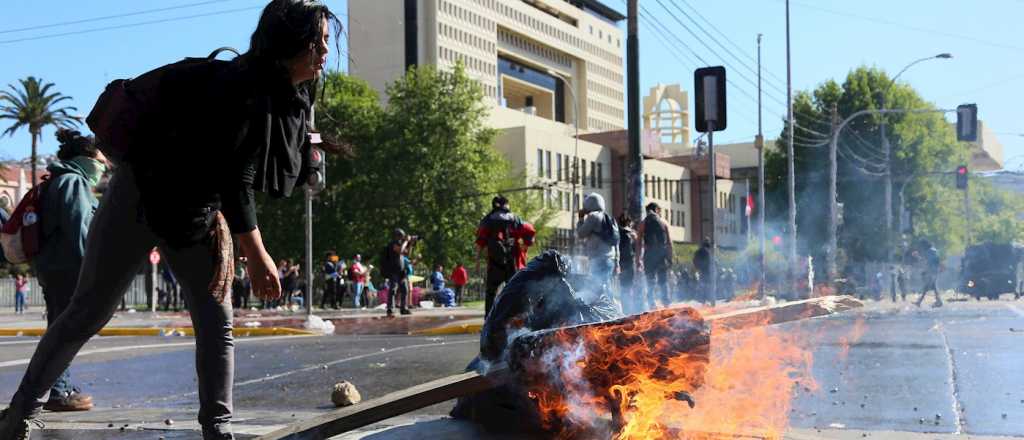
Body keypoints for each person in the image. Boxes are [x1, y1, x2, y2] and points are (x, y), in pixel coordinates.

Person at [0, 2, 342, 438]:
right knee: (86, 311)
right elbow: (236, 177)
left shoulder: (291, 98)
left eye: (328, 40)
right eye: (320, 41)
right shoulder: (240, 89)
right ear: (291, 43)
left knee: (217, 319)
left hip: (195, 213)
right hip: (139, 196)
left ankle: (217, 429)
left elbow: (245, 172)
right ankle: (20, 413)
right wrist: (256, 253)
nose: (326, 50)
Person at [32, 129, 107, 412]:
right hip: (67, 269)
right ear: (85, 159)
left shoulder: (61, 180)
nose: (104, 166)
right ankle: (58, 392)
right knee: (65, 331)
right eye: (100, 160)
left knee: (61, 328)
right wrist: (92, 273)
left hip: (56, 268)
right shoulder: (72, 183)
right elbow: (80, 232)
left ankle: (61, 387)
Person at [475, 195, 535, 318]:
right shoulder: (516, 220)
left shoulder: (487, 220)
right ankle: (520, 318)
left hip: (494, 263)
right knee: (516, 291)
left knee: (491, 293)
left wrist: (477, 260)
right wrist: (525, 246)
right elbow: (530, 231)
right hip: (513, 262)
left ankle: (489, 319)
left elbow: (480, 241)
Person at [576, 193, 619, 301]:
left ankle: (612, 310)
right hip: (610, 259)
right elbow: (616, 242)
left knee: (599, 287)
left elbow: (581, 233)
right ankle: (613, 309)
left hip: (598, 259)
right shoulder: (609, 218)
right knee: (605, 285)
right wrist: (617, 262)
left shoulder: (593, 217)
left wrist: (581, 218)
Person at [637, 203, 673, 308]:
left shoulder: (643, 223)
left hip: (649, 255)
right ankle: (666, 303)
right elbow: (669, 243)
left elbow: (638, 243)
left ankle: (651, 303)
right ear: (656, 210)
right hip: (661, 255)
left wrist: (638, 259)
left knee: (650, 280)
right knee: (663, 280)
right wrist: (670, 258)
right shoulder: (663, 222)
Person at [381, 229, 414, 317]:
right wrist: (406, 241)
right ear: (397, 236)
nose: (402, 238)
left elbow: (407, 254)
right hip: (393, 270)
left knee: (405, 289)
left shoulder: (401, 244)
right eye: (401, 236)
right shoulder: (392, 244)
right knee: (393, 289)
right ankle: (390, 309)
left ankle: (403, 308)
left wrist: (410, 244)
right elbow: (400, 250)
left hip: (402, 271)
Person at [616, 213, 639, 313]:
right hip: (629, 263)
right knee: (629, 287)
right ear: (629, 222)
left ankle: (625, 309)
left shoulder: (617, 233)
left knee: (623, 288)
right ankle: (630, 309)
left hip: (621, 263)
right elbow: (636, 249)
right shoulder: (632, 234)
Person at [915, 241, 943, 308]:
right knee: (932, 287)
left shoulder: (928, 252)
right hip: (934, 271)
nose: (921, 248)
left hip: (931, 272)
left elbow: (926, 261)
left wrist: (917, 256)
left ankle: (919, 302)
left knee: (927, 287)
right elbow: (936, 261)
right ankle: (938, 301)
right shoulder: (933, 251)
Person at [692, 237, 714, 306]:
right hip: (707, 271)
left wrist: (697, 267)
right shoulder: (708, 252)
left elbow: (695, 260)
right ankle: (708, 301)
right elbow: (712, 261)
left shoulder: (699, 251)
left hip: (703, 271)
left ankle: (704, 301)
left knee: (704, 286)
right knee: (708, 287)